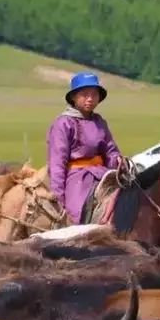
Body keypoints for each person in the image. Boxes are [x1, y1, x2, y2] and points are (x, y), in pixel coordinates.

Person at [47, 73, 129, 225]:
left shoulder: (99, 121)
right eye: (84, 94)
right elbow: (57, 163)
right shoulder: (64, 123)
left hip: (102, 175)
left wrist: (118, 161)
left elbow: (110, 150)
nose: (90, 99)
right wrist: (58, 198)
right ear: (73, 97)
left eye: (94, 94)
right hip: (77, 180)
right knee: (79, 217)